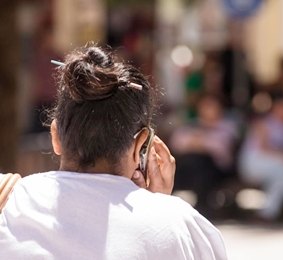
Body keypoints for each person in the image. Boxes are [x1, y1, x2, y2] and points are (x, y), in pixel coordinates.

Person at [0, 46, 227, 260]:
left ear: (55, 136)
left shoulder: (6, 202)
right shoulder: (180, 226)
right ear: (141, 146)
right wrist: (157, 207)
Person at [238, 92, 283, 221]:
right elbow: (263, 148)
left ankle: (268, 213)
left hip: (278, 166)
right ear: (276, 107)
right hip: (255, 162)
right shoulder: (264, 123)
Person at [170, 93, 238, 215]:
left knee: (201, 163)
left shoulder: (228, 127)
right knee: (192, 162)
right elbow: (177, 142)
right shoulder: (192, 124)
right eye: (205, 106)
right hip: (189, 168)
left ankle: (203, 206)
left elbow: (221, 148)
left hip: (217, 169)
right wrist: (203, 143)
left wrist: (198, 143)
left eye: (211, 106)